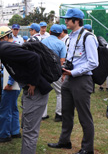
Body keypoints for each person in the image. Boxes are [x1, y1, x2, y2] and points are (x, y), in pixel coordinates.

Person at [0, 27, 52, 154]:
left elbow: (34, 58)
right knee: (27, 129)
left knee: (29, 132)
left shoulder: (5, 49)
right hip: (30, 90)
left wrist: (33, 82)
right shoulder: (3, 49)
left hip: (36, 90)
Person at [48, 8, 98, 154]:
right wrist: (65, 70)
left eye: (68, 19)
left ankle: (87, 149)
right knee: (66, 112)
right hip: (69, 78)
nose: (65, 22)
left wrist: (74, 72)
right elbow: (72, 58)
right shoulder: (71, 37)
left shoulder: (88, 37)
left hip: (82, 79)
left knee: (84, 116)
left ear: (76, 21)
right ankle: (64, 141)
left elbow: (93, 62)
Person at [0, 26, 21, 143]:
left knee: (4, 109)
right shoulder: (14, 46)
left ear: (4, 37)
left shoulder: (8, 49)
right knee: (13, 107)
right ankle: (15, 131)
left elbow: (14, 68)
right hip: (16, 82)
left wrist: (9, 83)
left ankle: (4, 135)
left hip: (10, 82)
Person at [41, 24, 67, 122]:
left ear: (50, 32)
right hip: (55, 71)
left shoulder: (43, 41)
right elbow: (62, 60)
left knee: (44, 92)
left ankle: (43, 115)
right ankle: (58, 115)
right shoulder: (61, 44)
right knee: (60, 93)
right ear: (60, 34)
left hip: (43, 71)